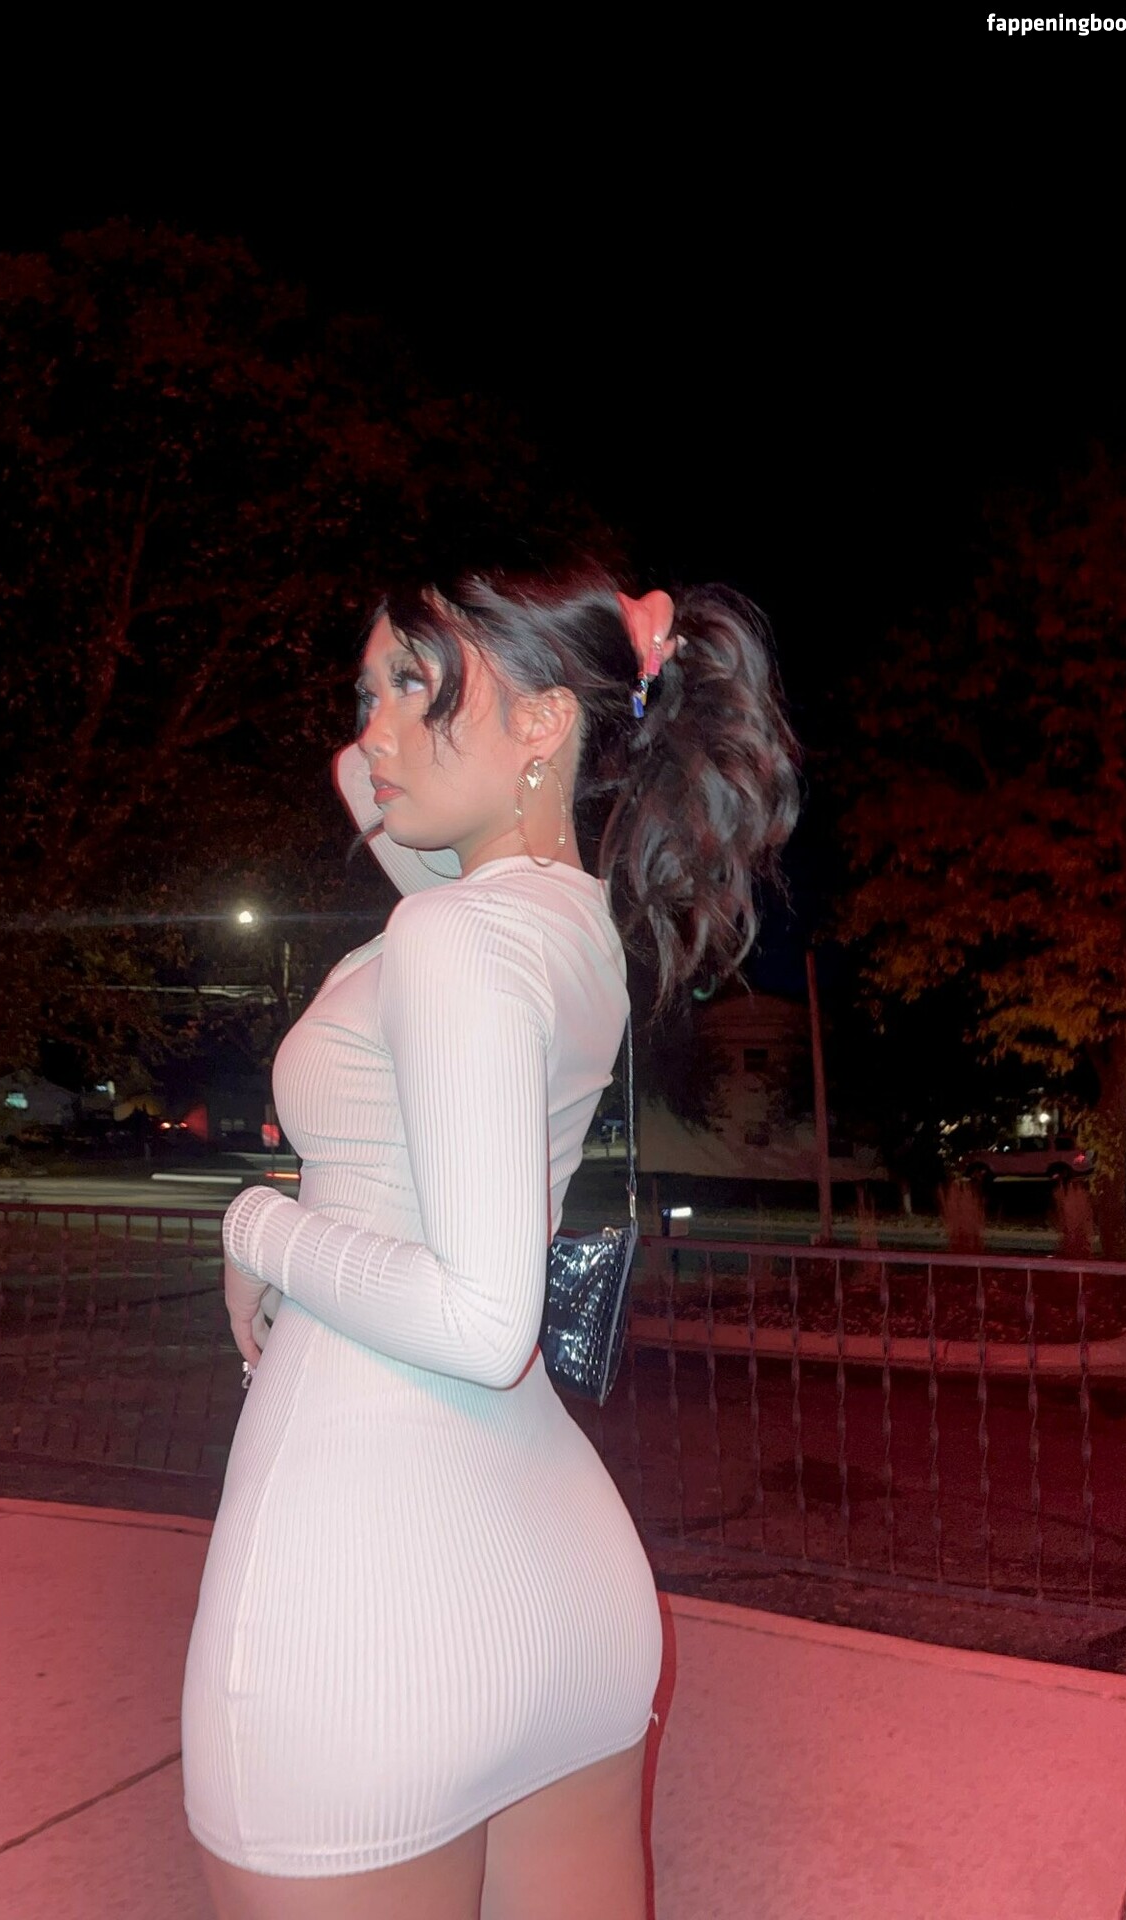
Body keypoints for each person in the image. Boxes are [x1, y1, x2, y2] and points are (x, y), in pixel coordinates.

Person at [182, 567, 799, 1919]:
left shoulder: (454, 936)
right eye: (367, 693)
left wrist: (258, 1224)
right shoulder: (569, 924)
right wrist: (532, 681)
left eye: (415, 690)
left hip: (367, 1604)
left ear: (542, 724)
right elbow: (383, 798)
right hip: (556, 1595)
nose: (372, 735)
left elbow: (479, 1320)